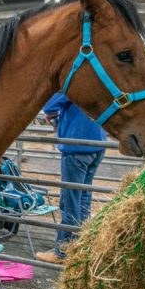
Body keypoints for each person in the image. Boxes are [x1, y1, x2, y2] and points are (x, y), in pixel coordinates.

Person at [35, 92, 106, 264]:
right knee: (83, 198)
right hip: (97, 145)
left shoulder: (73, 87)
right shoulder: (97, 82)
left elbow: (49, 106)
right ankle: (80, 246)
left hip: (77, 148)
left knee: (70, 200)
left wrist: (56, 113)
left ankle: (62, 252)